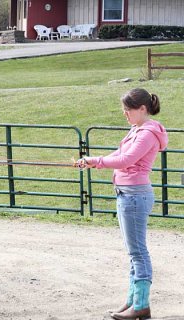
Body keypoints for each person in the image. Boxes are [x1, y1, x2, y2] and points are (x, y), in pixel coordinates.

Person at [77, 88, 168, 320]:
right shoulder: (137, 129)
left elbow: (127, 159)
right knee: (133, 251)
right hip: (127, 193)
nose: (125, 114)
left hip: (135, 196)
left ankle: (141, 305)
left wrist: (95, 161)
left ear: (142, 109)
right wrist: (91, 161)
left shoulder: (147, 133)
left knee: (138, 252)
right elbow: (120, 153)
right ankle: (132, 301)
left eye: (128, 110)